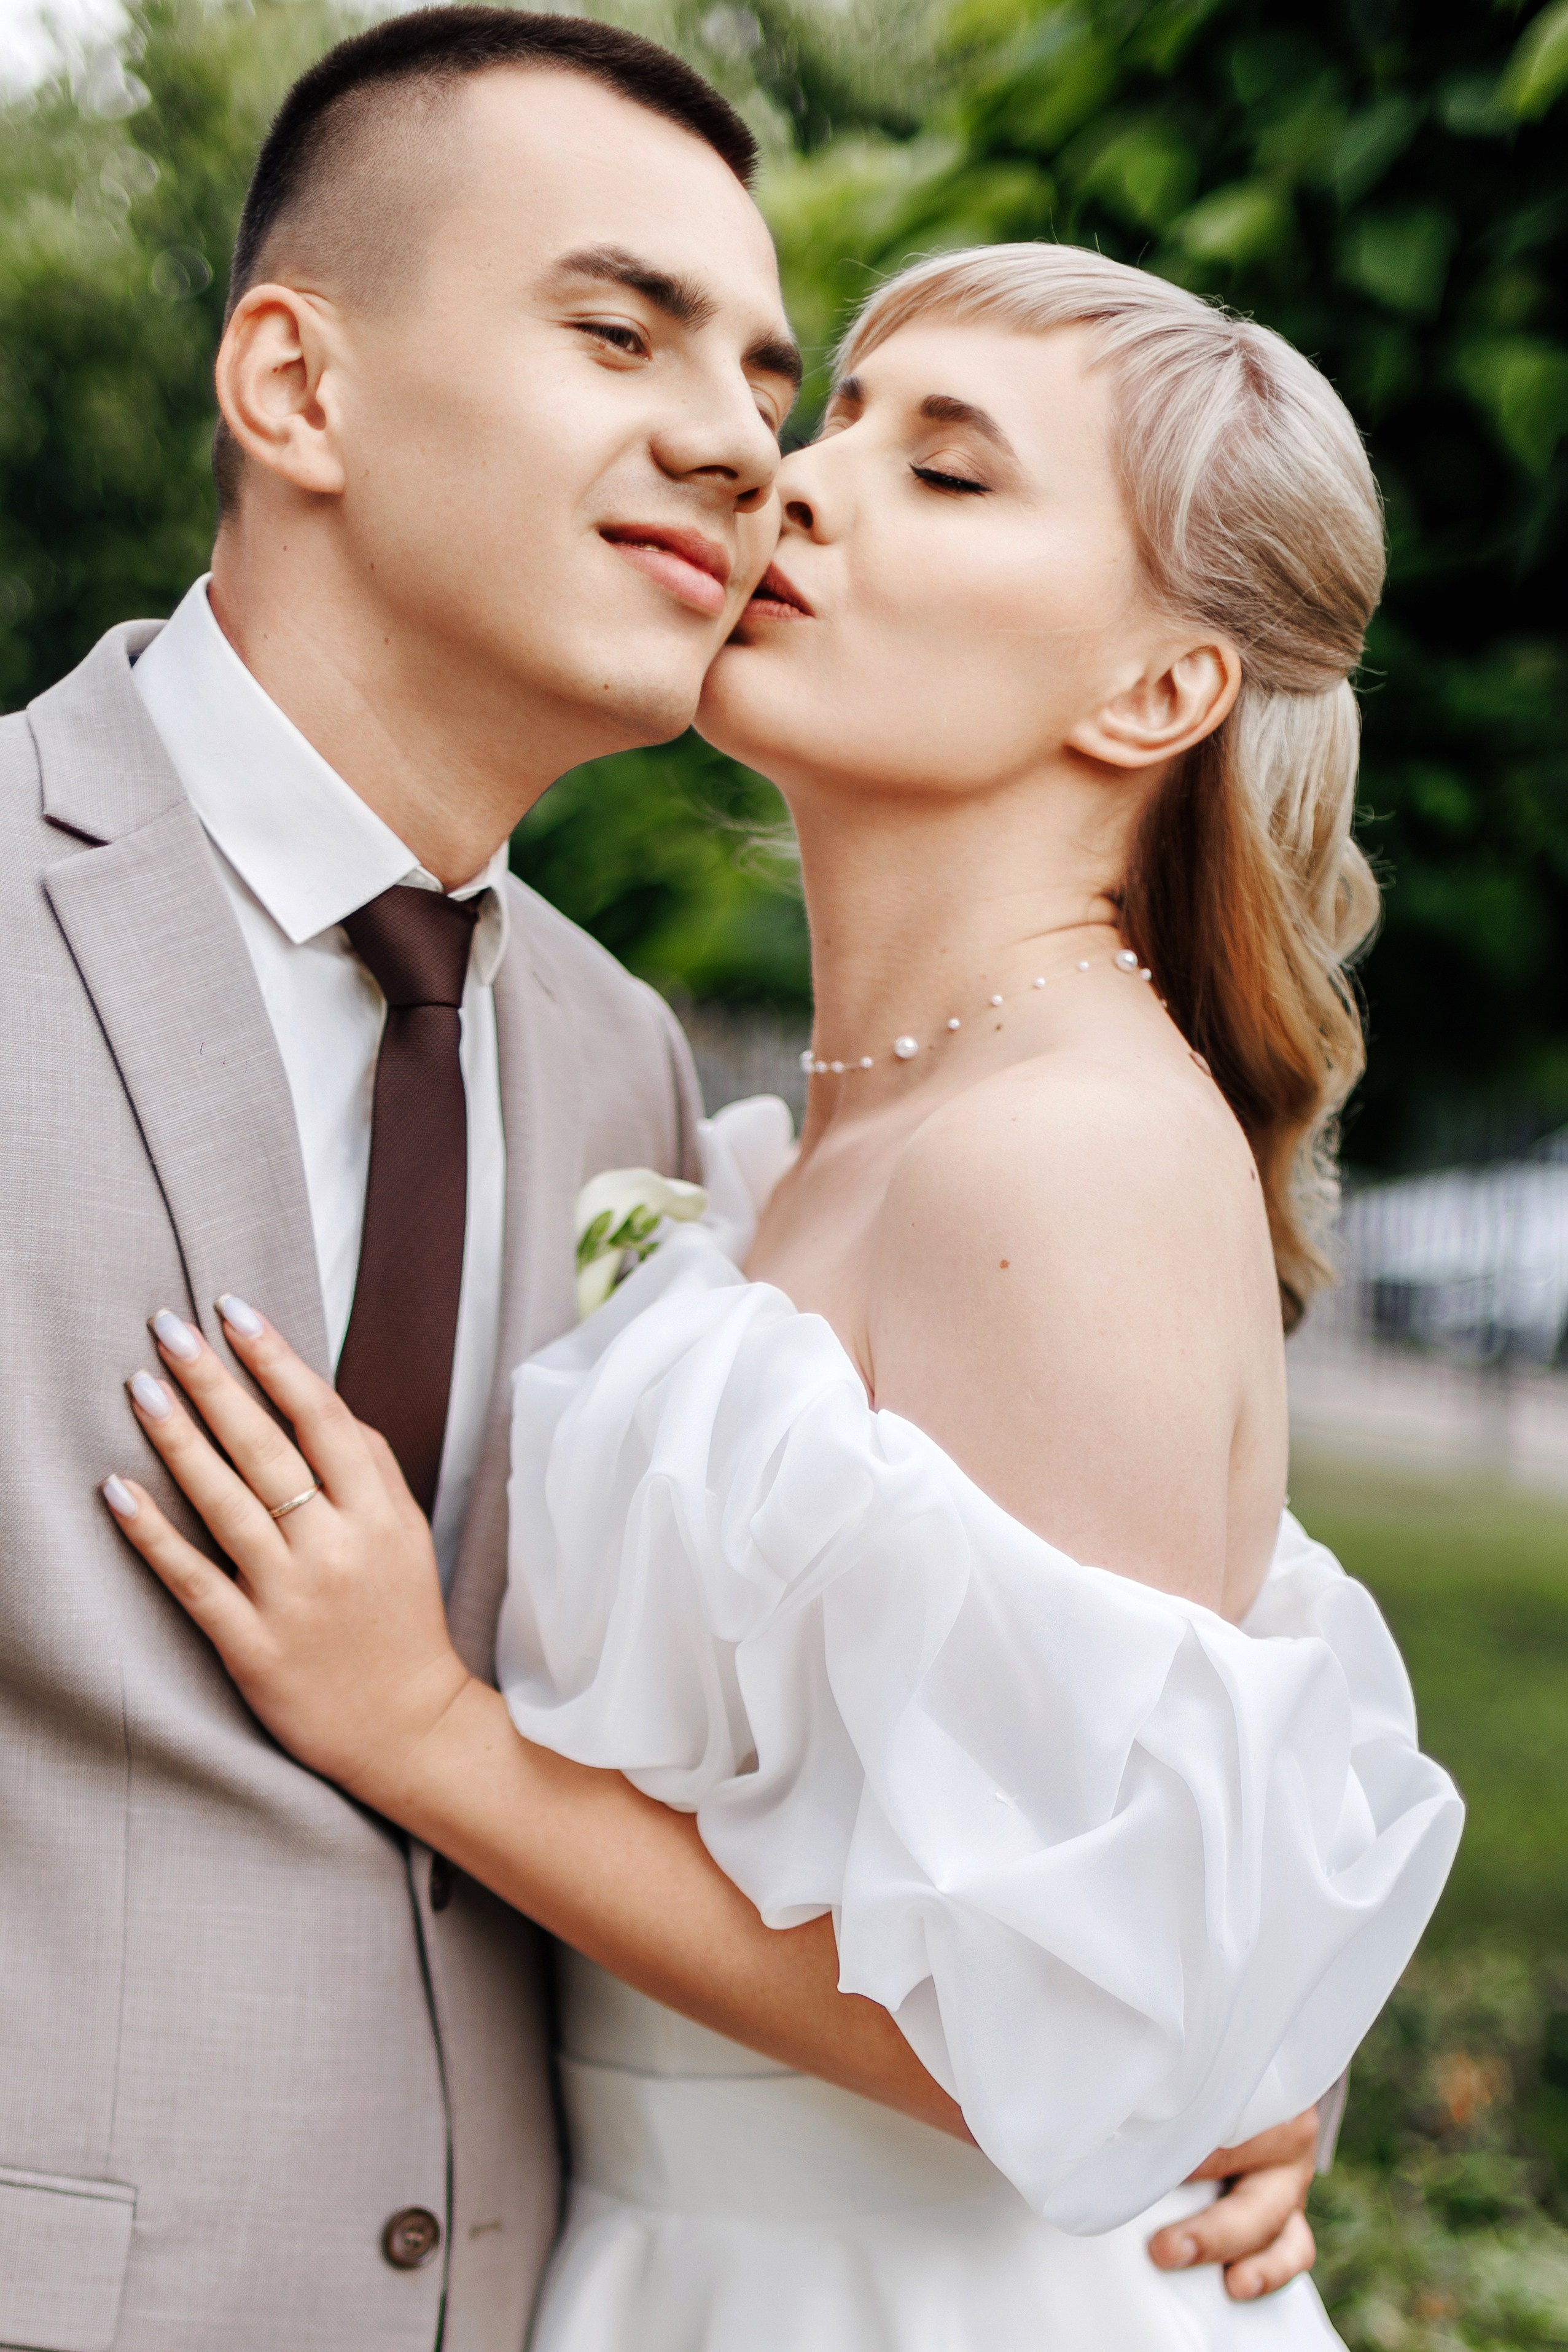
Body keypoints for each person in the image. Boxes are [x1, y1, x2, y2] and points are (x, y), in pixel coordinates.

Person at [1, 13, 1325, 2345]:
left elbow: (1156, 1753)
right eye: (621, 332)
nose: (749, 457)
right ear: (296, 389)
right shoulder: (744, 1150)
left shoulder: (617, 1065)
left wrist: (1185, 2035)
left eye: (781, 378)